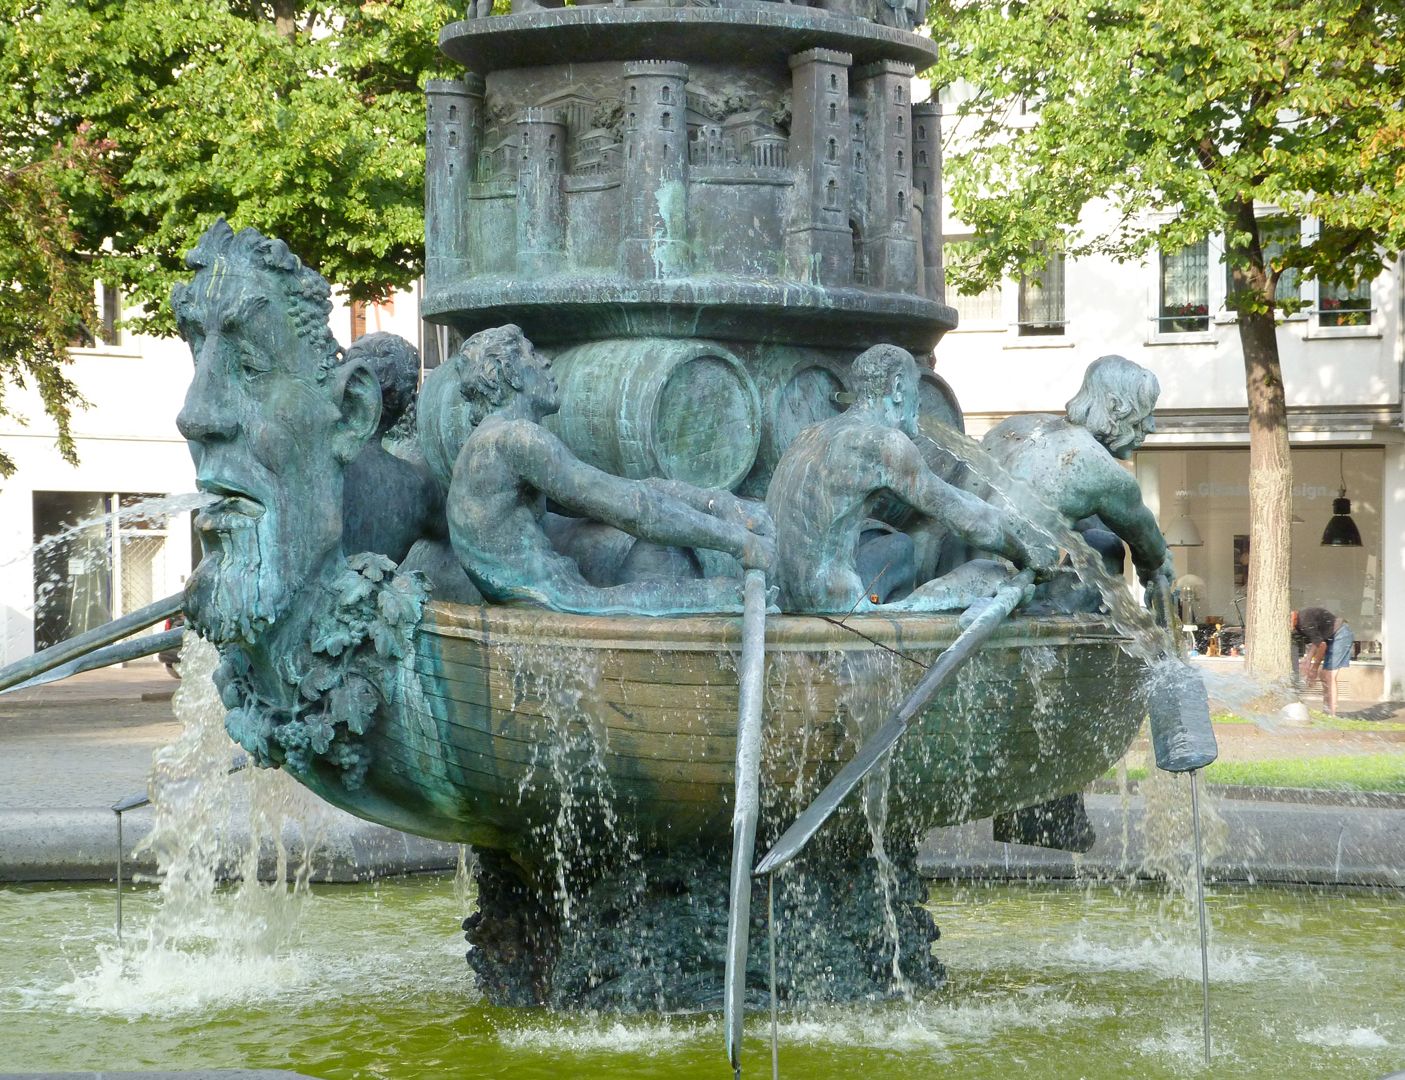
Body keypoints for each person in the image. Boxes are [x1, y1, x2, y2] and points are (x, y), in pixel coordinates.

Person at [443, 325, 775, 615]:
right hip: (548, 598)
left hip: (525, 594)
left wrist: (714, 502)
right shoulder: (518, 439)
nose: (544, 361)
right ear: (511, 374)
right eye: (531, 354)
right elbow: (635, 508)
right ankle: (727, 596)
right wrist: (740, 543)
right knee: (678, 594)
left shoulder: (486, 440)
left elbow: (628, 490)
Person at [765, 343, 1047, 614]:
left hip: (781, 597)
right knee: (988, 574)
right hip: (834, 601)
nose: (920, 401)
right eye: (917, 390)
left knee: (900, 547)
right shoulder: (882, 442)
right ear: (899, 388)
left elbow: (959, 498)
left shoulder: (809, 434)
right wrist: (1027, 549)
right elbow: (968, 519)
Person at [968, 355, 1176, 607]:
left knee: (1094, 521)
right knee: (1104, 544)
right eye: (1145, 413)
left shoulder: (1020, 425)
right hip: (1010, 599)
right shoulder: (1098, 468)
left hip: (964, 578)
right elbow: (1150, 547)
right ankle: (1076, 638)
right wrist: (1157, 570)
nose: (1151, 427)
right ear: (1114, 406)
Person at [1293, 607, 1353, 715]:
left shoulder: (1304, 622)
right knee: (1324, 675)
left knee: (1330, 675)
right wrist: (1308, 662)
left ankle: (1332, 714)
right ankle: (1326, 711)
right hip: (1330, 638)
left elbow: (1321, 645)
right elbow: (1318, 644)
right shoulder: (1298, 626)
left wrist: (1313, 668)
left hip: (1340, 634)